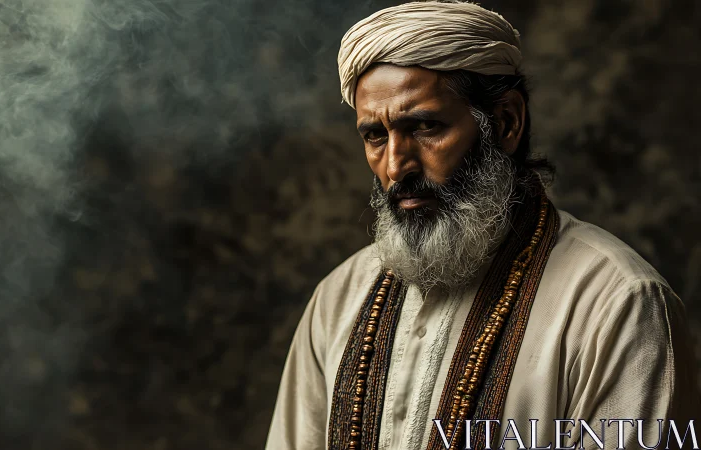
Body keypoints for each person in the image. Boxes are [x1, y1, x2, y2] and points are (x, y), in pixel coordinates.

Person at [265, 2, 698, 450]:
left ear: (506, 122)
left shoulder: (617, 306)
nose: (396, 166)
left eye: (425, 126)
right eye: (375, 135)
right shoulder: (338, 301)